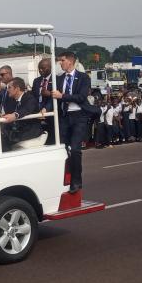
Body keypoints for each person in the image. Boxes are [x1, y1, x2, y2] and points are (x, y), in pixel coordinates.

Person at [52, 51, 91, 194]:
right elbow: (53, 97)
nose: (60, 63)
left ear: (70, 61)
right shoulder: (59, 79)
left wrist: (62, 96)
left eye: (62, 60)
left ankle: (76, 181)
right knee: (61, 149)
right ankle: (62, 179)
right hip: (64, 116)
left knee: (75, 149)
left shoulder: (83, 78)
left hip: (79, 116)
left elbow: (81, 97)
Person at [0, 78, 42, 150]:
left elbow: (26, 109)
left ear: (17, 89)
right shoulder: (12, 100)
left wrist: (15, 115)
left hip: (30, 130)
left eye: (9, 87)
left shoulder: (30, 98)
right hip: (18, 130)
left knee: (2, 140)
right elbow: (9, 113)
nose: (7, 90)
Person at [32, 58, 55, 145]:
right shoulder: (36, 81)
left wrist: (46, 109)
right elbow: (33, 97)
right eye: (39, 68)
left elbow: (54, 98)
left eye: (43, 68)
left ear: (50, 67)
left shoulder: (56, 80)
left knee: (52, 138)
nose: (41, 70)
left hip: (50, 114)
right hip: (37, 114)